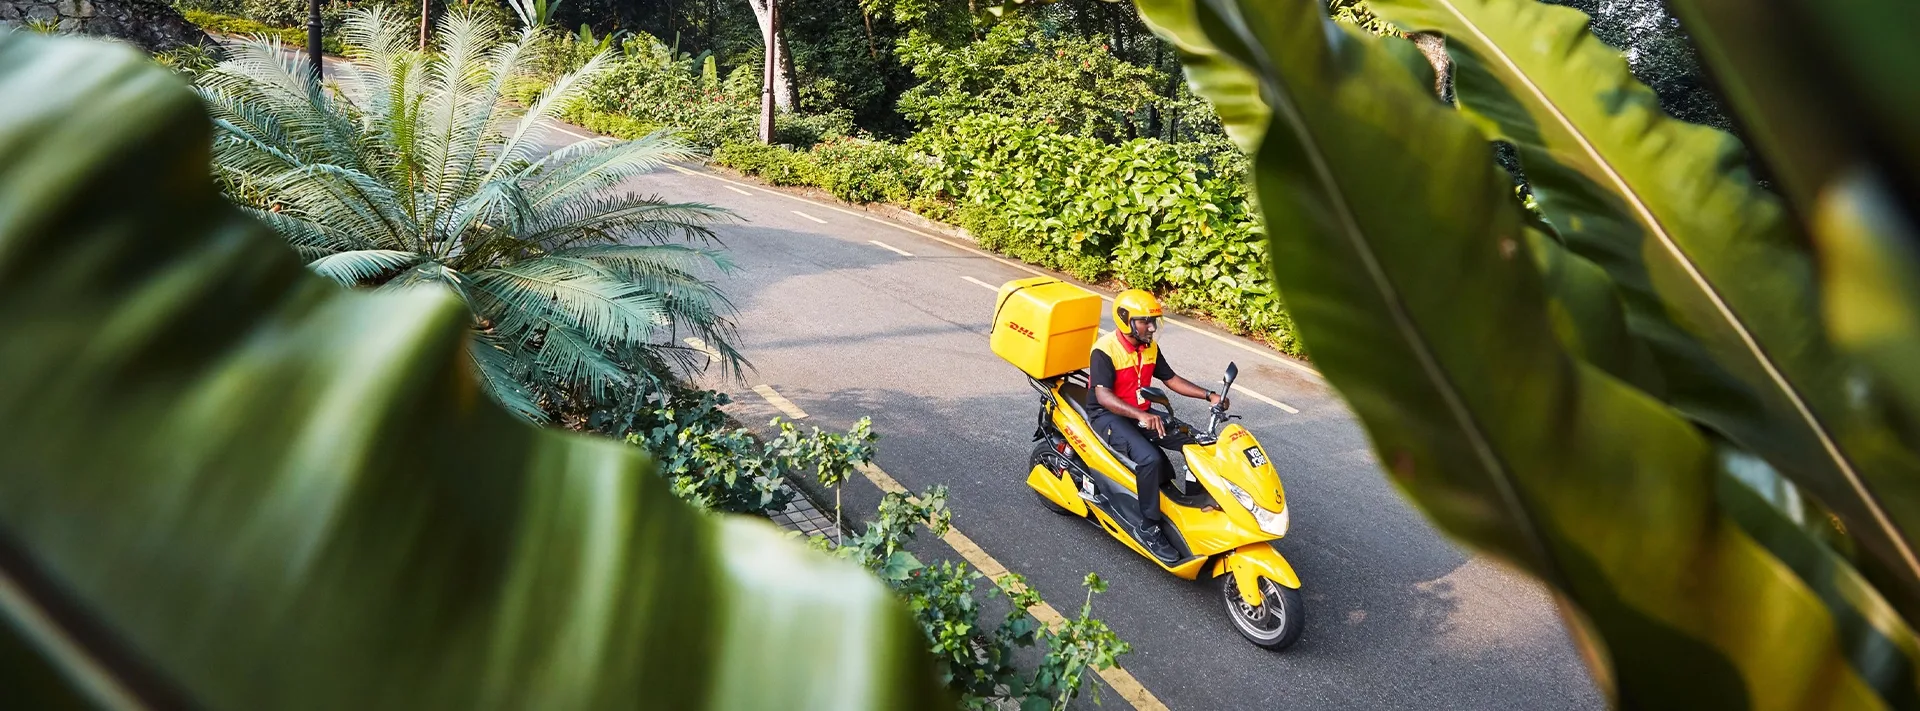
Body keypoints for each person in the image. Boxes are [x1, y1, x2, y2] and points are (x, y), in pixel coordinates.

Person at [1085, 289, 1229, 560]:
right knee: (1150, 459)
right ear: (1126, 319)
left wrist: (1209, 395)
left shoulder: (1149, 346)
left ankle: (1196, 508)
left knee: (1197, 441)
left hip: (1141, 411)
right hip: (1108, 415)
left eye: (1154, 321)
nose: (1152, 327)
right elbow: (1103, 396)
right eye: (1145, 321)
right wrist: (1141, 416)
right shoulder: (1104, 350)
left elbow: (1171, 379)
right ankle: (1148, 527)